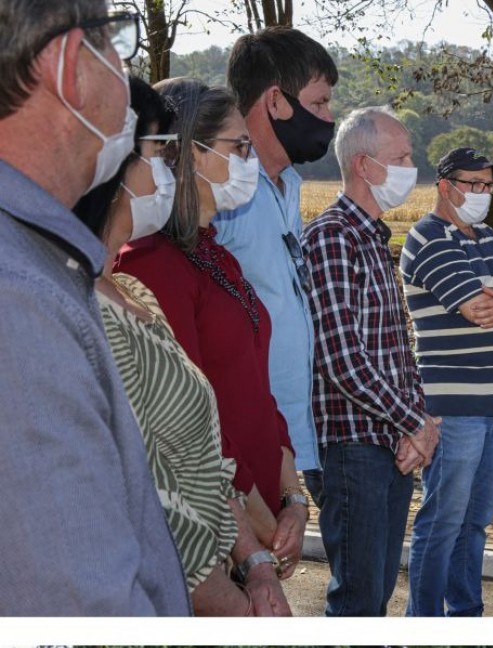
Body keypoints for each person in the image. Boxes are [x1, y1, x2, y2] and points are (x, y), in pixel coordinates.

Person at [72, 76, 289, 616]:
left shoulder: (148, 284)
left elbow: (237, 404)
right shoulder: (138, 275)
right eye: (160, 157)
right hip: (191, 574)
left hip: (236, 542)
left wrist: (290, 501)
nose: (170, 173)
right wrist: (253, 549)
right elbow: (163, 474)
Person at [0, 1, 188, 614]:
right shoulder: (19, 298)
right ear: (67, 66)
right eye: (113, 43)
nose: (125, 78)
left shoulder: (39, 265)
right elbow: (81, 604)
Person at [119, 78, 306, 585]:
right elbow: (190, 422)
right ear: (188, 154)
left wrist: (293, 499)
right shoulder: (152, 264)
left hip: (263, 513)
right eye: (237, 146)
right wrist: (262, 534)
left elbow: (256, 386)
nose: (249, 158)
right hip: (219, 532)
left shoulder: (217, 254)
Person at [306, 105, 440, 616]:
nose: (412, 166)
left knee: (377, 594)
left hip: (390, 443)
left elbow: (396, 351)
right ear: (364, 165)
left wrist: (418, 427)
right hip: (353, 448)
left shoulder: (372, 238)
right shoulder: (334, 237)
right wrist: (414, 422)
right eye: (401, 156)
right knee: (358, 603)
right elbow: (342, 358)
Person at [399, 146, 493, 616]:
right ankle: (424, 620)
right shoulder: (429, 237)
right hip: (452, 408)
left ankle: (464, 612)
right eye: (472, 184)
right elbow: (478, 309)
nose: (482, 193)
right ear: (445, 186)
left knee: (475, 522)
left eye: (487, 185)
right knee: (443, 521)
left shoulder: (488, 237)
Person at [216, 27, 334, 506]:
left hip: (282, 433)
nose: (329, 118)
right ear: (276, 101)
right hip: (235, 440)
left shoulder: (290, 185)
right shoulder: (222, 190)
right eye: (321, 103)